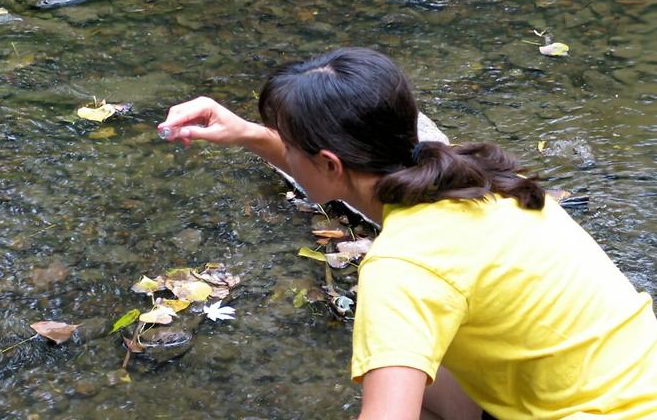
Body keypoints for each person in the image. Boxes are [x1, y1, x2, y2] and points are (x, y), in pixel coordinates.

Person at [158, 48, 657, 419]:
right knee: (410, 364)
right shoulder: (475, 178)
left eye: (290, 149)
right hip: (636, 387)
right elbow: (341, 176)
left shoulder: (401, 268)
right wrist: (250, 134)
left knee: (389, 368)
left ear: (329, 163)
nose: (285, 156)